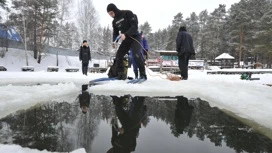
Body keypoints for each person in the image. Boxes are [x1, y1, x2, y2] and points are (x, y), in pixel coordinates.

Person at [107, 3, 147, 80]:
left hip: (135, 37)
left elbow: (134, 26)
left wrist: (126, 34)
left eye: (111, 13)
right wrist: (114, 42)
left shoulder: (127, 13)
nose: (111, 15)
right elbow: (115, 33)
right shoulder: (114, 21)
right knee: (119, 55)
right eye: (109, 14)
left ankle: (143, 75)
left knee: (136, 54)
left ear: (115, 10)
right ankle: (121, 75)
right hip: (126, 39)